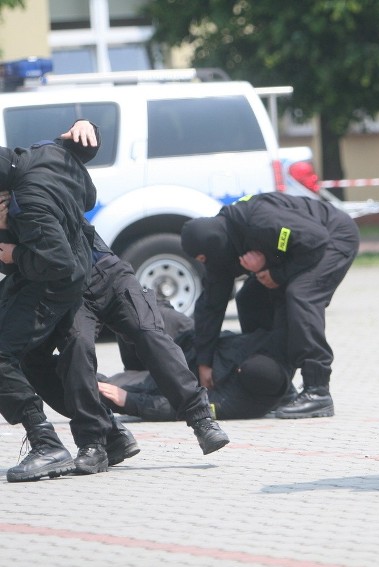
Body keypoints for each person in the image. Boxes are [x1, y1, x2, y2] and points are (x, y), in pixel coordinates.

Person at [18, 120, 230, 461]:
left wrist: (87, 127)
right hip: (68, 291)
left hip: (106, 270)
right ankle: (95, 442)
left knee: (150, 334)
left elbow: (74, 147)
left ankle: (201, 420)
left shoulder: (31, 169)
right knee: (77, 352)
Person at [180, 192, 359, 420]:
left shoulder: (260, 221)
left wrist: (276, 273)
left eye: (204, 258)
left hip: (333, 237)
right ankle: (279, 382)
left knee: (301, 295)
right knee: (250, 297)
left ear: (214, 246)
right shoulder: (221, 246)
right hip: (301, 247)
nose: (205, 264)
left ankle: (318, 390)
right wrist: (204, 362)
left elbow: (314, 240)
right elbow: (211, 306)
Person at [0, 121, 113, 482]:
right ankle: (111, 433)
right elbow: (77, 151)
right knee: (29, 358)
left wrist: (16, 254)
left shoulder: (28, 203)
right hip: (59, 270)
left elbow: (56, 262)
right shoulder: (42, 154)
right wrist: (88, 127)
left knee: (2, 356)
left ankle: (46, 444)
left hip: (56, 281)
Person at [97, 301, 296, 421]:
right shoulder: (270, 348)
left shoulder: (237, 404)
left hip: (172, 380)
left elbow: (185, 407)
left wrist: (130, 402)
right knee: (139, 308)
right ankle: (137, 363)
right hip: (192, 343)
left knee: (102, 390)